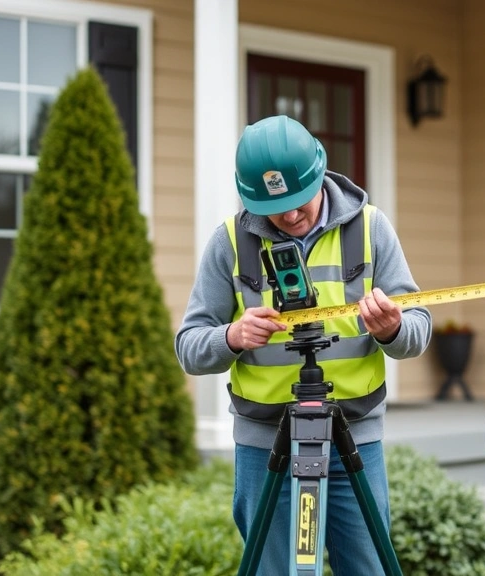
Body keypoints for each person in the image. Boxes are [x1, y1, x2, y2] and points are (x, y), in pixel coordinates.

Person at [174, 115, 431, 575]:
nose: (291, 216)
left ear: (320, 175)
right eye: (276, 208)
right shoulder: (230, 243)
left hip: (354, 435)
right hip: (263, 443)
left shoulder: (370, 229)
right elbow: (189, 347)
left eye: (299, 202)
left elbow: (418, 329)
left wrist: (392, 329)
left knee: (369, 568)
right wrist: (231, 337)